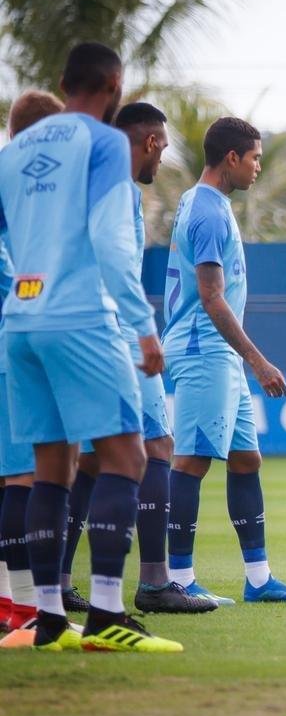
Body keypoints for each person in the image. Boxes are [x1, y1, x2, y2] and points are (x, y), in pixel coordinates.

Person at [0, 42, 180, 651]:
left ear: (62, 80)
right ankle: (105, 614)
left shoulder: (13, 150)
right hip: (79, 315)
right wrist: (143, 326)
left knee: (51, 466)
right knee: (129, 458)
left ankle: (48, 621)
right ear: (114, 84)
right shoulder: (104, 141)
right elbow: (109, 241)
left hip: (19, 321)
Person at [58, 102, 215, 615]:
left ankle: (56, 580)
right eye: (163, 147)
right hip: (117, 327)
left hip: (61, 321)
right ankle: (152, 582)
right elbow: (117, 262)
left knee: (84, 456)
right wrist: (146, 332)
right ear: (149, 142)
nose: (163, 157)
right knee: (155, 445)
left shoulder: (77, 180)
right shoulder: (120, 186)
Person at [161, 117, 286, 605]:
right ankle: (179, 581)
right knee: (190, 461)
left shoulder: (208, 203)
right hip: (204, 349)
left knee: (246, 459)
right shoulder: (206, 211)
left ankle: (259, 579)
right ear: (232, 158)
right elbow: (210, 297)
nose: (258, 168)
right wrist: (259, 361)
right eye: (254, 158)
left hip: (220, 354)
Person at [0, 90, 64, 637]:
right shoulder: (35, 191)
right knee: (25, 474)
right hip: (20, 341)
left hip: (12, 337)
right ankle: (24, 605)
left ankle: (11, 600)